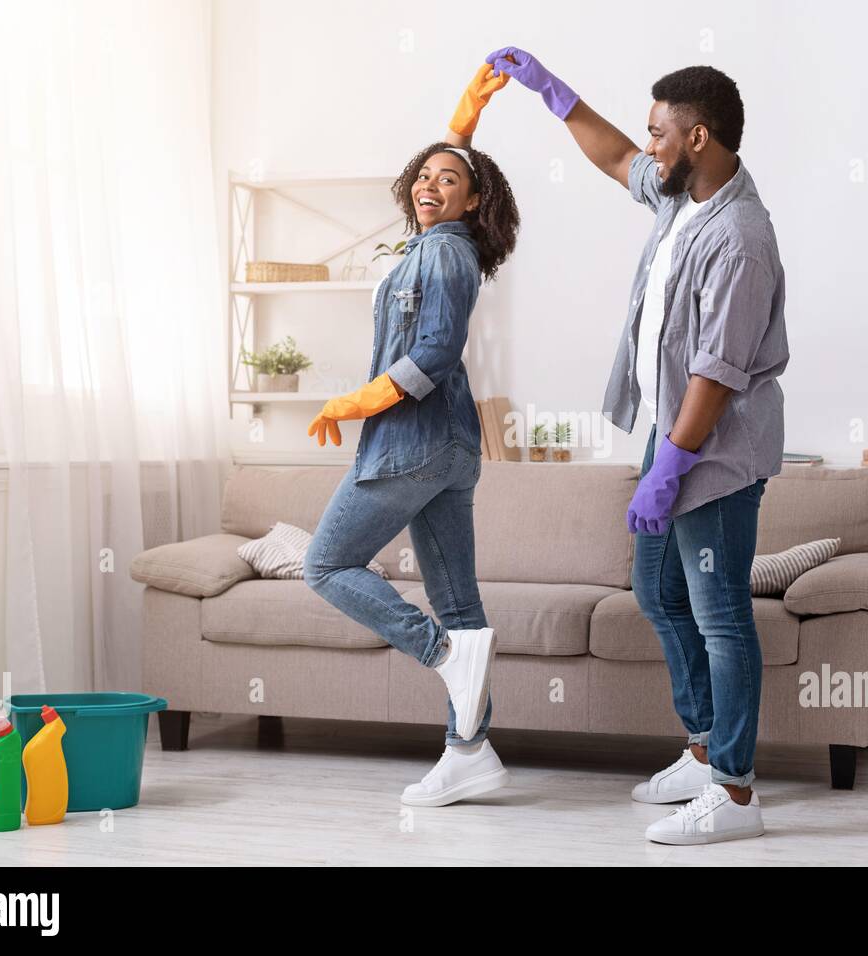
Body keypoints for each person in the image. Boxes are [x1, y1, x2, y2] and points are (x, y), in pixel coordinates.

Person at [487, 48, 788, 844]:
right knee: (658, 595)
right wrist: (552, 92)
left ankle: (736, 792)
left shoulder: (741, 237)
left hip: (712, 451)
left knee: (722, 620)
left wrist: (671, 469)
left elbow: (718, 375)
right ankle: (702, 745)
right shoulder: (680, 195)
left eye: (661, 132)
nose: (647, 145)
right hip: (670, 434)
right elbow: (614, 154)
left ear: (699, 136)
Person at [303, 65, 520, 808]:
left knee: (326, 563)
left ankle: (438, 656)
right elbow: (449, 157)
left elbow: (432, 353)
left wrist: (355, 401)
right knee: (459, 602)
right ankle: (471, 752)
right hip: (452, 451)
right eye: (422, 175)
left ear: (474, 199)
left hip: (414, 444)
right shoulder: (434, 243)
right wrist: (469, 109)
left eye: (449, 179)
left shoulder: (443, 251)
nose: (431, 184)